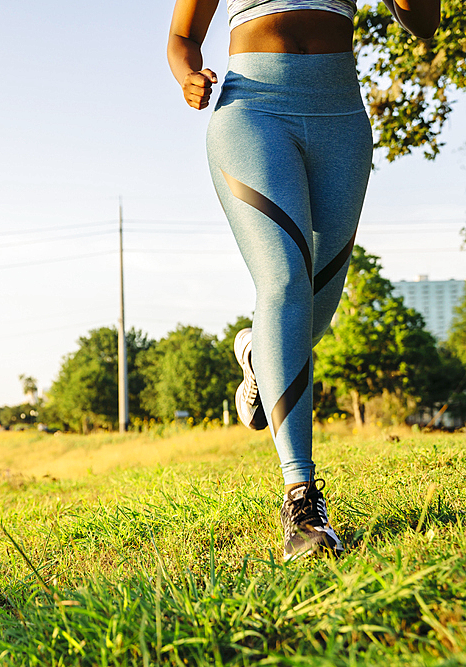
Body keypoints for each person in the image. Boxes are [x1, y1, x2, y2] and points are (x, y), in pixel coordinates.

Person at [167, 0, 440, 559]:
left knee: (320, 300)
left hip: (341, 116)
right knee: (285, 278)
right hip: (253, 111)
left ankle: (255, 360)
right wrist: (187, 76)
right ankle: (301, 499)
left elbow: (425, 21)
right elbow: (181, 34)